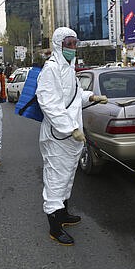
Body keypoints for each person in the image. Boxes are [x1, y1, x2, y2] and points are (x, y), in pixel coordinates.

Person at [36, 27, 108, 246]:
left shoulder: (69, 68)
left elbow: (75, 97)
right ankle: (54, 227)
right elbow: (49, 103)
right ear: (58, 44)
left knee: (67, 176)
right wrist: (70, 129)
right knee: (55, 179)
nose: (72, 47)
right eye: (69, 43)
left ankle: (63, 215)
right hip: (59, 136)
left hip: (71, 137)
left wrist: (92, 97)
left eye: (75, 43)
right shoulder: (52, 69)